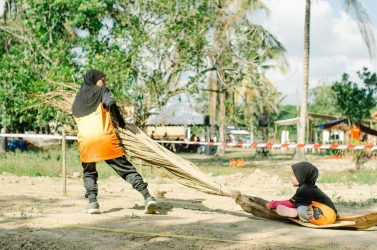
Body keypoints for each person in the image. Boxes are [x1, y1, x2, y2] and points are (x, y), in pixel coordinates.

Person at [71, 69, 156, 214]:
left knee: (89, 173)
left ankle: (92, 203)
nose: (104, 82)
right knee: (125, 169)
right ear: (95, 79)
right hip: (104, 138)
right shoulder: (102, 90)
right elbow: (110, 104)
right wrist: (122, 123)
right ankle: (147, 197)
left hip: (85, 141)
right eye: (103, 80)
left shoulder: (78, 98)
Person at [266, 162, 337, 225]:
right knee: (301, 205)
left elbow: (290, 203)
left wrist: (273, 204)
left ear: (302, 177)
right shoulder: (308, 188)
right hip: (328, 213)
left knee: (301, 209)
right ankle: (297, 212)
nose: (291, 177)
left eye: (294, 175)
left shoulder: (304, 189)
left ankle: (296, 213)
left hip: (326, 215)